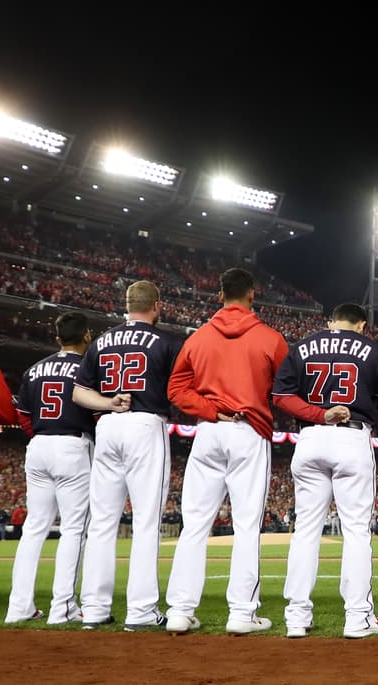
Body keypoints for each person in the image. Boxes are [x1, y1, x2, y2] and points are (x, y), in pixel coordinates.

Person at [163, 267, 289, 636]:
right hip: (249, 432)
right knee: (246, 527)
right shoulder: (271, 338)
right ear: (253, 294)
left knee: (194, 526)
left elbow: (176, 390)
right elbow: (287, 390)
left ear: (219, 295)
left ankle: (180, 611)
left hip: (209, 431)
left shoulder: (197, 338)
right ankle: (241, 613)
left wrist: (210, 410)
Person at [273, 301, 378, 639]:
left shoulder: (303, 345)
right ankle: (357, 618)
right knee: (356, 531)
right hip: (351, 438)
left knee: (305, 532)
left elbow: (281, 396)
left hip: (310, 437)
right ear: (361, 325)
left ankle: (296, 617)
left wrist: (319, 413)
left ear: (331, 320)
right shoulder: (370, 348)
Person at [72, 281, 183, 631]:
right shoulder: (165, 341)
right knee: (146, 522)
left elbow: (78, 392)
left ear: (126, 304)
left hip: (109, 425)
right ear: (157, 305)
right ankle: (141, 611)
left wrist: (108, 403)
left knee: (102, 523)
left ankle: (93, 609)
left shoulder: (102, 340)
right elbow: (180, 390)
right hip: (146, 425)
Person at [6, 311, 118, 624]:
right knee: (72, 530)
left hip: (39, 446)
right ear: (86, 336)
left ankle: (19, 609)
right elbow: (101, 414)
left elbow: (23, 414)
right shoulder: (89, 368)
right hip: (72, 445)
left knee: (33, 530)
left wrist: (42, 436)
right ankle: (63, 608)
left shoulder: (34, 369)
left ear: (57, 338)